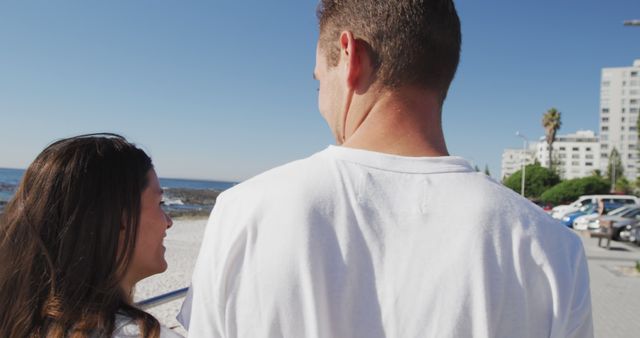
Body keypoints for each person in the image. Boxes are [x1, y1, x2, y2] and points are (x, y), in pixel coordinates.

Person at [180, 1, 593, 337]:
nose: (320, 99)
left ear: (349, 54)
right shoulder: (553, 249)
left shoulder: (243, 213)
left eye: (318, 80)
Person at [0, 134, 181, 338]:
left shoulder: (19, 320)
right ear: (119, 217)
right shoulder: (140, 334)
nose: (168, 221)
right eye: (160, 204)